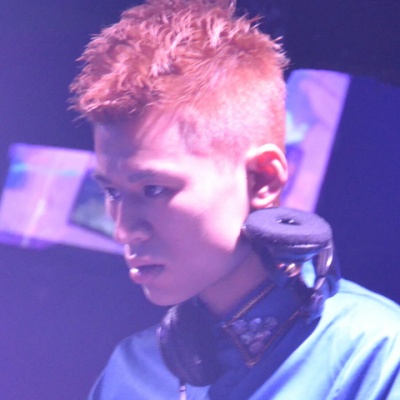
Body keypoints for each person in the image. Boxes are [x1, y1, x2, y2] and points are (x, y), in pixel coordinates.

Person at [70, 0, 400, 399]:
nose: (123, 230)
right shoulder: (131, 370)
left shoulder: (378, 353)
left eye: (154, 189)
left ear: (262, 179)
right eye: (112, 192)